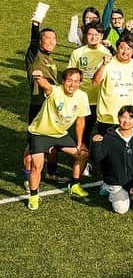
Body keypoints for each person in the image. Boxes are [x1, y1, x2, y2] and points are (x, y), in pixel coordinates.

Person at [25, 68, 91, 210]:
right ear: (63, 81)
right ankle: (34, 196)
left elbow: (80, 121)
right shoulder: (55, 91)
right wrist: (38, 76)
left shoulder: (82, 96)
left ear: (80, 82)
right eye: (69, 80)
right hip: (40, 134)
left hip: (60, 134)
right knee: (37, 166)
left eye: (76, 81)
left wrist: (79, 142)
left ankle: (74, 185)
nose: (72, 84)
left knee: (83, 154)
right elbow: (46, 85)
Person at [90, 105, 133, 214]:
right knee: (121, 210)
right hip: (116, 181)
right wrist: (96, 144)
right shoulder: (108, 137)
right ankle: (110, 190)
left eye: (131, 118)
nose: (127, 121)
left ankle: (132, 192)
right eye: (123, 117)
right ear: (118, 118)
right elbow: (96, 159)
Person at [93, 33, 133, 136]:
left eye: (129, 49)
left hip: (126, 118)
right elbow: (95, 82)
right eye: (122, 48)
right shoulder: (108, 63)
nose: (125, 51)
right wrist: (103, 65)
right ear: (117, 48)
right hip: (106, 117)